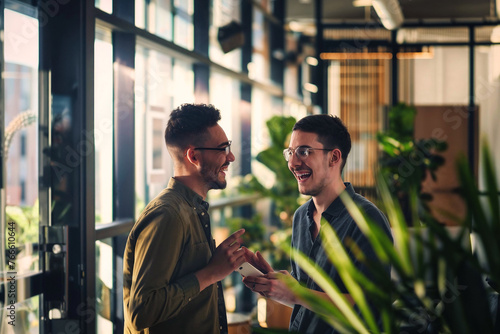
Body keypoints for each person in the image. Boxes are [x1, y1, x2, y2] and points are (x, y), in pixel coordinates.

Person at [242, 114, 393, 334]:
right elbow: (309, 300)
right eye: (290, 153)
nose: (293, 163)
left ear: (334, 158)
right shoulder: (301, 217)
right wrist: (278, 288)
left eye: (304, 152)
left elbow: (373, 308)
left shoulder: (366, 219)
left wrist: (297, 293)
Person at [123, 103, 247, 334]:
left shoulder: (193, 210)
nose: (230, 157)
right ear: (193, 156)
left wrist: (228, 264)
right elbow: (141, 311)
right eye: (222, 148)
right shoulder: (168, 215)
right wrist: (211, 273)